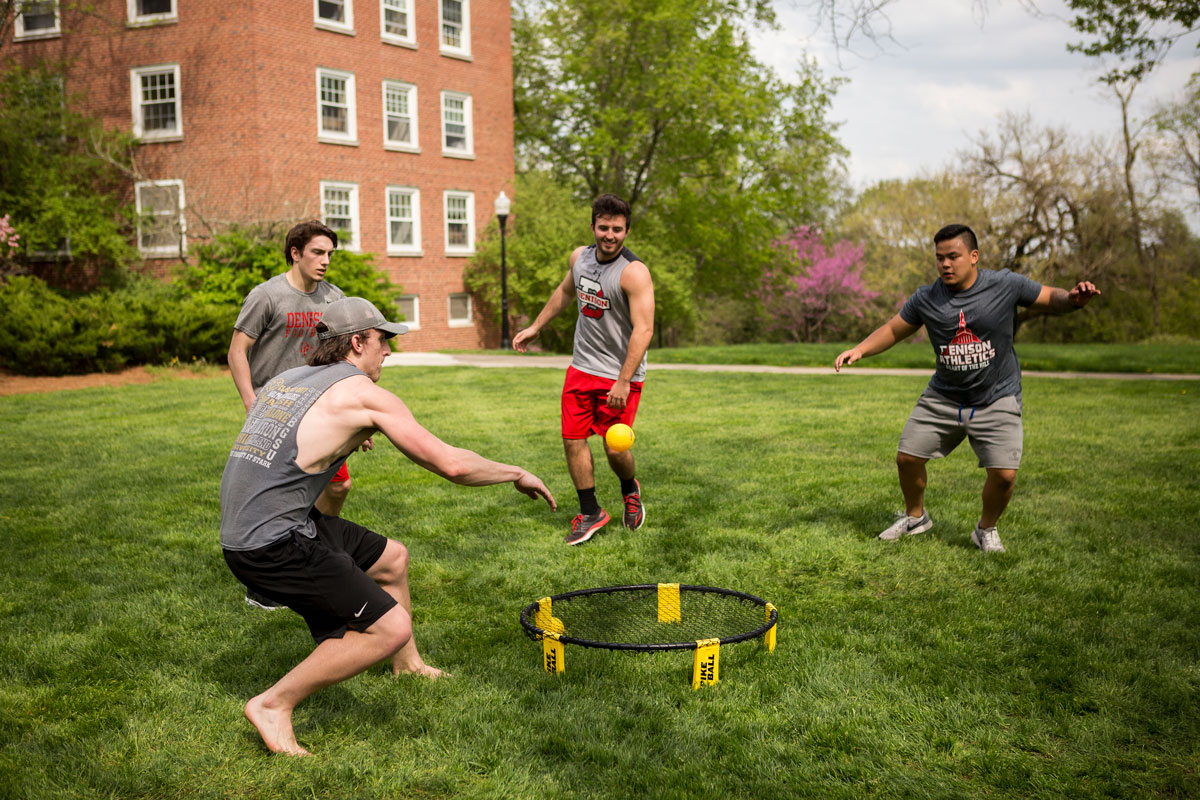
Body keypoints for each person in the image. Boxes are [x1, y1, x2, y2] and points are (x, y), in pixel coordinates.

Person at [220, 296, 557, 756]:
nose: (389, 352)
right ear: (357, 342)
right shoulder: (362, 394)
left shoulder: (289, 379)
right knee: (389, 627)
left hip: (264, 524)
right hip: (269, 543)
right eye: (383, 340)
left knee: (392, 557)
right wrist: (516, 472)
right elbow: (451, 465)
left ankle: (409, 666)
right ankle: (273, 705)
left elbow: (298, 439)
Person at [834, 223, 1100, 552]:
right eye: (939, 258)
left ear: (973, 256)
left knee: (1004, 476)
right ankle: (915, 516)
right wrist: (860, 349)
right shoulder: (927, 297)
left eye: (953, 257)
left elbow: (1049, 297)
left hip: (997, 396)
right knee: (907, 458)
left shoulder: (1005, 284)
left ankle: (985, 529)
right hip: (944, 396)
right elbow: (893, 329)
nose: (945, 264)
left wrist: (1073, 299)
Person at [512, 194, 655, 545]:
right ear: (592, 227)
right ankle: (591, 512)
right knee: (572, 439)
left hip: (620, 374)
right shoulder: (580, 258)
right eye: (603, 227)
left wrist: (623, 381)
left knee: (614, 447)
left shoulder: (633, 273)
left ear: (627, 231)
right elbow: (564, 292)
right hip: (582, 366)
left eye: (617, 229)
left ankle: (629, 490)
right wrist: (536, 326)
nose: (610, 235)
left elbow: (644, 329)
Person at [228, 221, 349, 609]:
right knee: (276, 499)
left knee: (337, 486)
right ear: (295, 253)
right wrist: (252, 404)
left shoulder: (334, 299)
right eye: (318, 252)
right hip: (275, 410)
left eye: (330, 253)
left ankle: (315, 550)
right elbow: (237, 351)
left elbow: (345, 357)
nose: (325, 261)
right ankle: (265, 582)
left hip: (319, 410)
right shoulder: (267, 296)